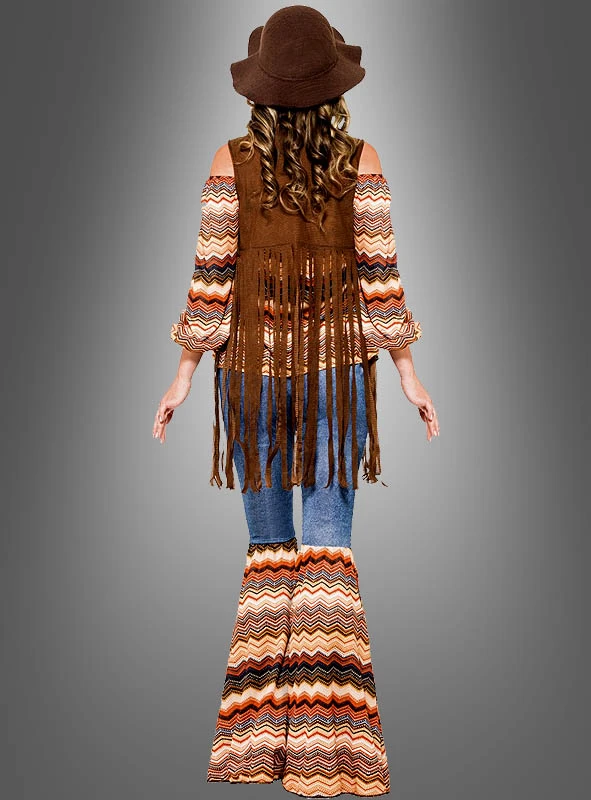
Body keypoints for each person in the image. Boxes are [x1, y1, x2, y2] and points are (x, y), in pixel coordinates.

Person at [153, 6, 439, 797]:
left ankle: (255, 751)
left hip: (248, 376)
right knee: (326, 555)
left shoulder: (229, 159)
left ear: (260, 88)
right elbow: (380, 278)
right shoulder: (362, 159)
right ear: (333, 87)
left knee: (271, 554)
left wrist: (183, 373)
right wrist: (407, 370)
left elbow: (210, 279)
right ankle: (328, 756)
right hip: (335, 378)